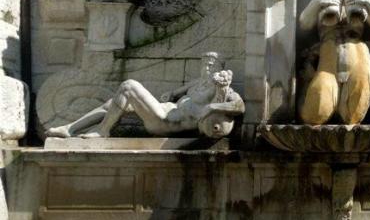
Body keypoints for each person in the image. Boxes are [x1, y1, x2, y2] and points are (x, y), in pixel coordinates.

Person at [45, 52, 244, 139]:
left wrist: (212, 107)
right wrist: (172, 93)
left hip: (165, 122)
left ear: (220, 69)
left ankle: (103, 131)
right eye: (204, 63)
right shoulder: (198, 83)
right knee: (113, 103)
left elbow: (239, 106)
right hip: (165, 109)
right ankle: (70, 128)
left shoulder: (221, 90)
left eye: (211, 64)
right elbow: (178, 92)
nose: (206, 66)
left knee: (129, 87)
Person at [299, 0, 370, 125]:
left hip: (358, 55)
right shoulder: (325, 2)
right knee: (316, 114)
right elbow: (304, 23)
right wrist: (318, 1)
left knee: (353, 116)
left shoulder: (358, 2)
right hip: (329, 59)